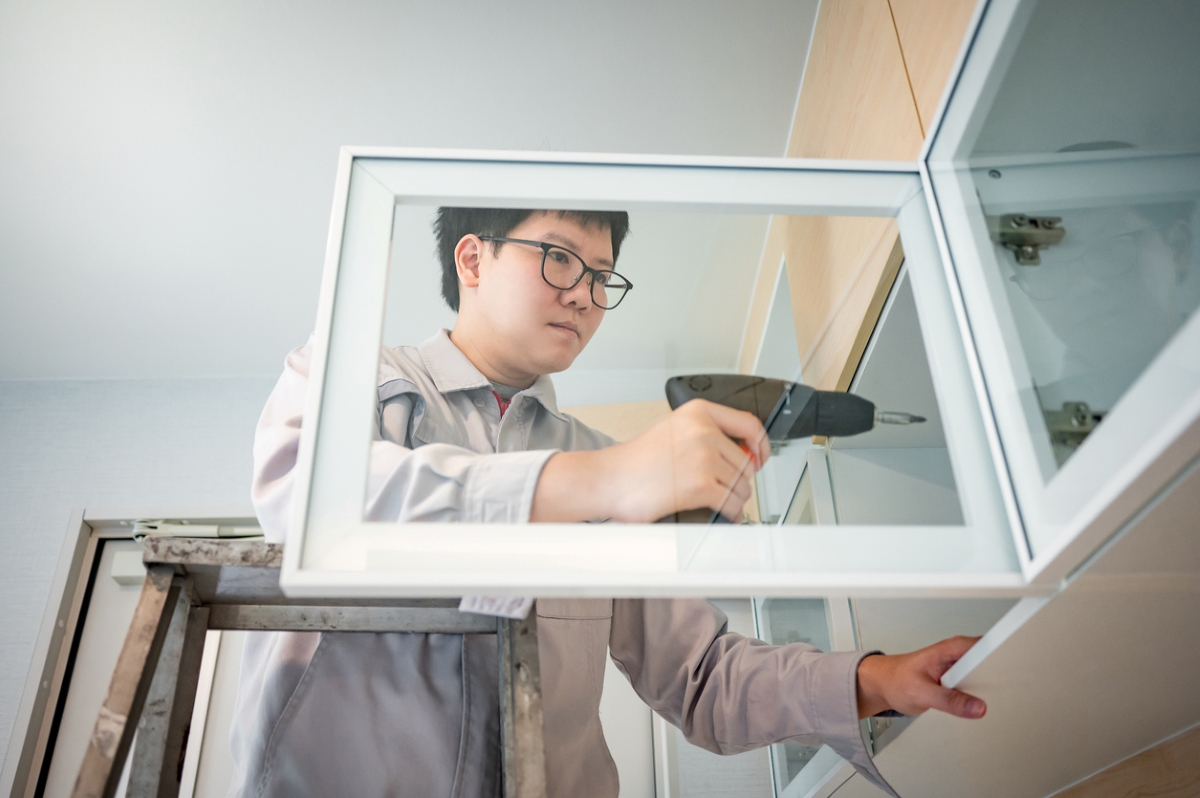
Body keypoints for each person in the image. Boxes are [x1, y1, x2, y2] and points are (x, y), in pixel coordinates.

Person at [230, 207, 987, 798]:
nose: (585, 296)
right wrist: (607, 481)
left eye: (602, 276)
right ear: (473, 258)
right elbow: (311, 502)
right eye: (560, 258)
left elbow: (702, 676)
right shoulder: (351, 372)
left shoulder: (604, 456)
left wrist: (872, 681)